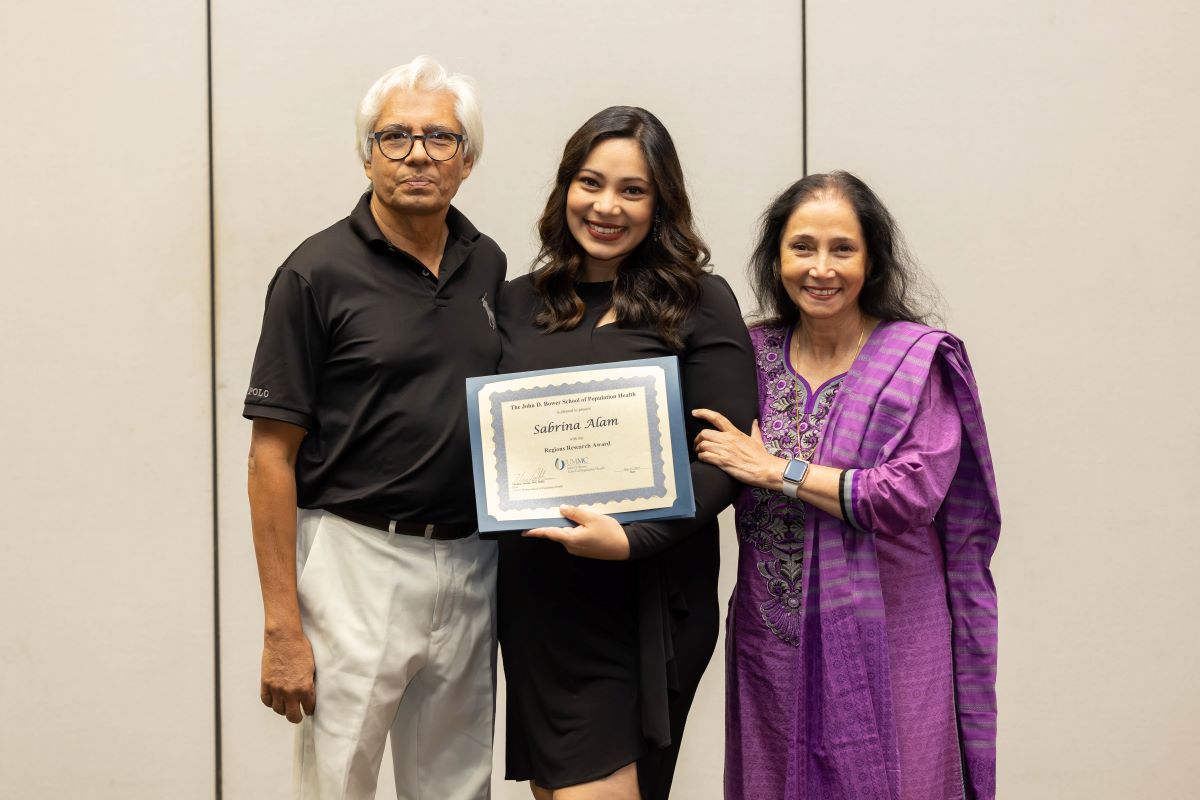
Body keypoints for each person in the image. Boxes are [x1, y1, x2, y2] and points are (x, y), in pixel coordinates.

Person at [243, 56, 505, 800]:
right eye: (395, 137)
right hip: (356, 560)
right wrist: (281, 625)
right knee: (338, 783)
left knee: (458, 786)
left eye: (440, 139)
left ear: (468, 160)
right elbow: (268, 457)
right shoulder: (313, 273)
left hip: (469, 561)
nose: (417, 154)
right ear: (367, 153)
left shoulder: (486, 263)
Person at [692, 171, 1000, 800]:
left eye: (842, 249)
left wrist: (779, 469)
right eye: (802, 247)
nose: (821, 268)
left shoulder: (912, 361)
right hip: (771, 637)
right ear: (776, 257)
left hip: (888, 638)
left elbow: (906, 494)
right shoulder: (746, 354)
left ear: (872, 259)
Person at [495, 106, 757, 800]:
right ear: (565, 189)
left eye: (633, 190)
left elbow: (727, 457)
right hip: (539, 593)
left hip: (647, 590)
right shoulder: (517, 303)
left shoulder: (700, 302)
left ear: (661, 202)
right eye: (590, 182)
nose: (606, 206)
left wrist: (633, 540)